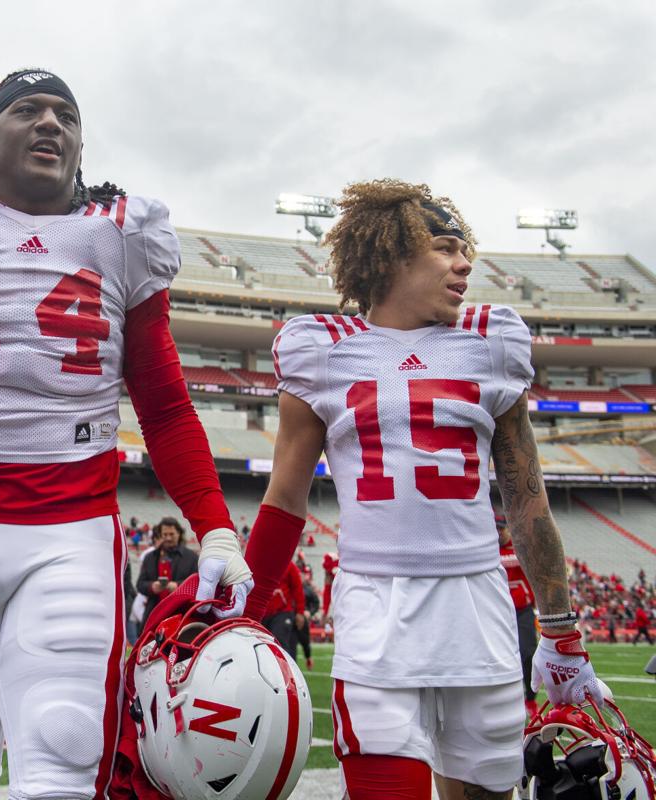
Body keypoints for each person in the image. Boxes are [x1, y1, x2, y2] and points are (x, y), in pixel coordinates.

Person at [0, 69, 251, 800]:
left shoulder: (120, 233)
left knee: (63, 753)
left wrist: (216, 529)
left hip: (71, 530)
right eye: (27, 109)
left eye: (66, 113)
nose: (49, 122)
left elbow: (163, 404)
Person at [241, 180, 607, 800]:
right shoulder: (321, 349)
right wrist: (244, 615)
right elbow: (285, 497)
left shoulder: (491, 342)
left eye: (464, 250)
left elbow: (525, 498)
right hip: (374, 609)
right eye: (444, 248)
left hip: (478, 609)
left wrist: (560, 629)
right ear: (390, 257)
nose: (464, 263)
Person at [498, 515, 539, 719]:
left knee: (528, 653)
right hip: (498, 611)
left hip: (522, 610)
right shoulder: (488, 550)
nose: (498, 533)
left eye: (500, 529)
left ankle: (530, 699)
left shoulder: (520, 547)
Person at [136, 517, 198, 628]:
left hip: (182, 615)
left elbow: (198, 584)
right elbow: (140, 584)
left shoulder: (192, 557)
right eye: (165, 535)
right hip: (154, 614)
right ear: (160, 535)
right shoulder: (150, 557)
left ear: (179, 534)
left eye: (172, 534)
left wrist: (179, 586)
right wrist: (152, 587)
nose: (168, 538)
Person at [260, 561, 306, 662]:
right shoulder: (260, 562)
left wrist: (300, 612)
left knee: (280, 642)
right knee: (262, 646)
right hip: (262, 613)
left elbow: (297, 588)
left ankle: (286, 673)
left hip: (283, 612)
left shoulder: (289, 565)